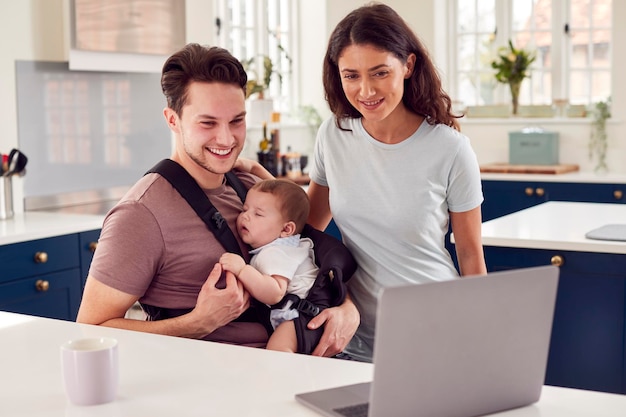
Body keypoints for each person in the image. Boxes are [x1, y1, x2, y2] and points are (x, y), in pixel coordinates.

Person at [76, 43, 359, 357]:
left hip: (301, 364)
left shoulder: (251, 186)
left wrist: (346, 308)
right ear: (173, 120)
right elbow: (89, 328)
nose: (226, 140)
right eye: (207, 123)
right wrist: (196, 323)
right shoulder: (141, 214)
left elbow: (304, 263)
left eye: (236, 121)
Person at [306, 3, 487, 362]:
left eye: (379, 73)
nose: (366, 91)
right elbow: (310, 231)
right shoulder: (334, 135)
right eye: (351, 75)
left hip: (436, 330)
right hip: (356, 337)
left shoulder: (450, 148)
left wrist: (481, 334)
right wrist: (267, 188)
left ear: (408, 65)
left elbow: (469, 253)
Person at [220, 179, 323, 353]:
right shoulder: (286, 245)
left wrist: (242, 270)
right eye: (245, 209)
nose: (245, 216)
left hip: (302, 316)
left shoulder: (277, 253)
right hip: (304, 313)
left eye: (258, 214)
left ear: (286, 229)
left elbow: (274, 292)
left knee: (278, 351)